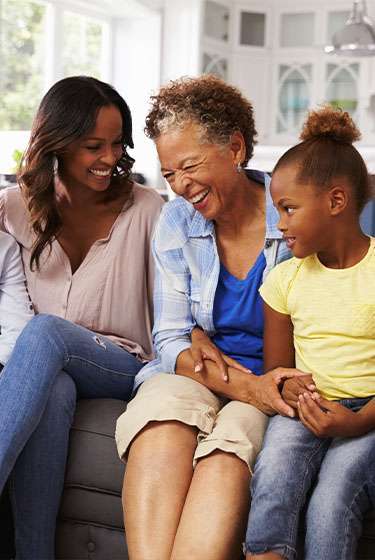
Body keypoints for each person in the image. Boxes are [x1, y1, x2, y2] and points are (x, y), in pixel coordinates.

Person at [115, 74, 303, 560]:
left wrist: (259, 390)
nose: (180, 186)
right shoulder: (177, 221)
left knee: (227, 452)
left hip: (273, 383)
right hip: (199, 372)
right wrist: (195, 342)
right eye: (169, 173)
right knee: (161, 417)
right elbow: (171, 338)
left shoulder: (294, 215)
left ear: (236, 147)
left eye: (190, 166)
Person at [0, 75, 163, 559]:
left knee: (46, 332)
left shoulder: (147, 209)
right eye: (94, 145)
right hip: (47, 366)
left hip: (121, 362)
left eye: (117, 144)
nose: (110, 158)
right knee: (55, 388)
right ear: (59, 142)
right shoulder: (13, 207)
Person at [245, 106, 375, 560]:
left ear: (336, 202)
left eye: (289, 208)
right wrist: (290, 383)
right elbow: (277, 370)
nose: (279, 224)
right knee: (275, 469)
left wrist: (357, 420)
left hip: (368, 416)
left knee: (334, 495)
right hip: (309, 408)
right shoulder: (284, 279)